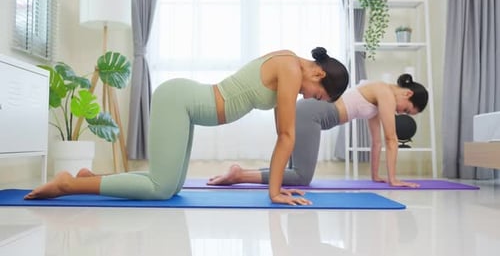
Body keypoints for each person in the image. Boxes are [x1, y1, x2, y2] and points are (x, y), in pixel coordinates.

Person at [24, 47, 349, 205]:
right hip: (179, 100)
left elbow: (284, 133)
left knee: (170, 186)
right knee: (161, 188)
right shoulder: (292, 69)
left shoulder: (290, 64)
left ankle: (91, 178)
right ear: (318, 74)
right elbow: (287, 135)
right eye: (318, 95)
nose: (310, 97)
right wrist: (275, 193)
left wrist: (276, 188)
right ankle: (69, 184)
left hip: (186, 106)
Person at [208, 73, 428, 188]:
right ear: (407, 94)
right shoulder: (385, 93)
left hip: (307, 113)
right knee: (301, 177)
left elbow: (378, 142)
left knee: (291, 172)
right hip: (311, 115)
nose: (402, 114)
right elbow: (392, 139)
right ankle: (239, 175)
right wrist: (394, 180)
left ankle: (240, 172)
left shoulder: (380, 96)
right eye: (407, 111)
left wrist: (376, 176)